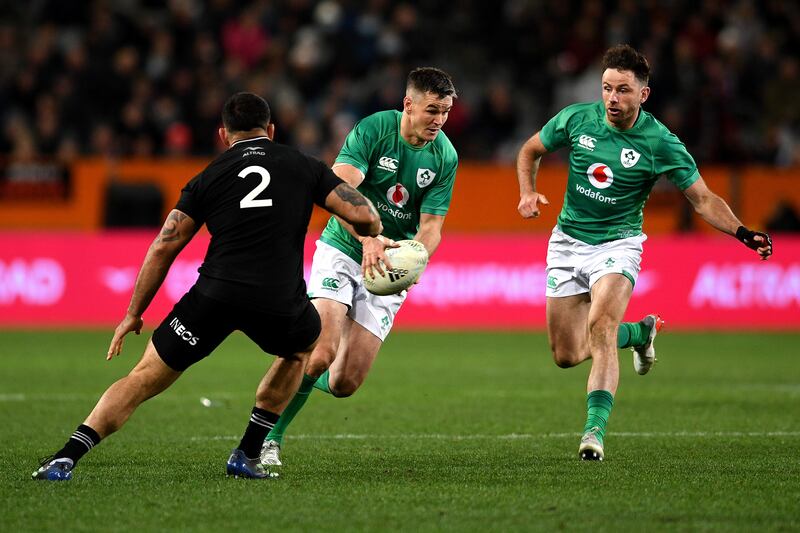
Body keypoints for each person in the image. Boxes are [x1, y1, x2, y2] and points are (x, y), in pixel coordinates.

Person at [32, 92, 382, 481]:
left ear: (223, 135)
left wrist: (133, 313)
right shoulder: (304, 166)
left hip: (216, 294)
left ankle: (66, 456)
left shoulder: (210, 176)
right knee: (302, 347)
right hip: (278, 300)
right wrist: (373, 230)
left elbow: (165, 244)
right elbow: (361, 214)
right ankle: (248, 453)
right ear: (271, 130)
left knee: (144, 376)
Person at [515, 44, 773, 461]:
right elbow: (530, 150)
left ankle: (593, 433)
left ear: (643, 95)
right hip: (567, 242)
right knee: (566, 355)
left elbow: (702, 198)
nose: (613, 99)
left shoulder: (660, 142)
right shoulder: (577, 118)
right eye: (607, 89)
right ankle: (639, 333)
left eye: (623, 90)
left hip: (619, 245)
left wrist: (742, 232)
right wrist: (527, 193)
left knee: (600, 328)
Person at [259, 67, 458, 468]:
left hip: (388, 264)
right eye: (432, 110)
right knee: (320, 350)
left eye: (446, 111)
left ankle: (299, 381)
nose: (439, 120)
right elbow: (338, 191)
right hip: (344, 248)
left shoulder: (446, 157)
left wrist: (415, 258)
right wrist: (367, 237)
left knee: (345, 382)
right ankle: (268, 438)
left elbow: (433, 226)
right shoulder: (373, 130)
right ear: (408, 104)